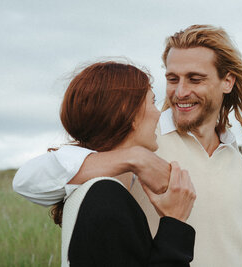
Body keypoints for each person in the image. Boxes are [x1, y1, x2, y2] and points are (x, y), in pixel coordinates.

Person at [13, 24, 242, 267]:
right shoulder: (140, 138)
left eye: (195, 79)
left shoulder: (235, 159)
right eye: (172, 79)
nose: (180, 92)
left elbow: (241, 247)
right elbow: (28, 182)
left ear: (227, 82)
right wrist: (135, 158)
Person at [39, 61, 196, 266]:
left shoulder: (94, 189)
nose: (159, 113)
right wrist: (175, 222)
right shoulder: (106, 197)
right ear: (127, 112)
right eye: (152, 101)